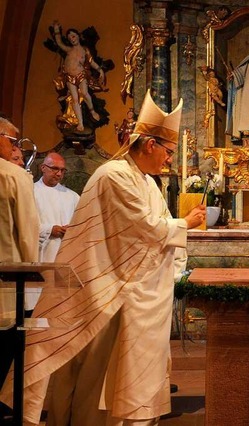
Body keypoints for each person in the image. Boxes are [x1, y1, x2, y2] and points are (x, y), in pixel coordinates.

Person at [0, 91, 206, 425]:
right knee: (96, 375)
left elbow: (152, 232)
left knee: (124, 374)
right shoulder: (114, 175)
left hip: (135, 294)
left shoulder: (147, 182)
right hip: (105, 292)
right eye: (168, 151)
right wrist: (186, 223)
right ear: (150, 144)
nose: (169, 159)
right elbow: (143, 228)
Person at [0, 118, 39, 392]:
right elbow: (27, 230)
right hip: (7, 281)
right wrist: (32, 268)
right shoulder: (14, 175)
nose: (16, 148)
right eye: (13, 141)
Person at [51, 21, 105, 132]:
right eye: (70, 38)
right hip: (69, 77)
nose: (72, 39)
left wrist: (100, 71)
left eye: (73, 36)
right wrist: (56, 30)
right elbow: (59, 43)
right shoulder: (69, 50)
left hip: (81, 75)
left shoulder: (84, 50)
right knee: (75, 99)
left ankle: (92, 111)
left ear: (78, 37)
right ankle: (80, 123)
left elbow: (91, 62)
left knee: (85, 93)